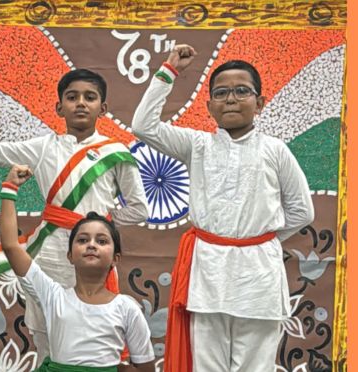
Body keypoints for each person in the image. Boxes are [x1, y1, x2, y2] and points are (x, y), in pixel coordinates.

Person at [132, 45, 315, 371]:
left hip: (259, 279)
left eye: (242, 91)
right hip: (208, 277)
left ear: (259, 103)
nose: (231, 98)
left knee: (255, 367)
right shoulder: (197, 145)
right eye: (221, 93)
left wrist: (259, 240)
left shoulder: (275, 150)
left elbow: (302, 211)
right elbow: (144, 126)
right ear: (209, 106)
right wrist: (169, 71)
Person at [0, 69, 148, 362]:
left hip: (95, 260)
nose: (81, 103)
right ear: (59, 107)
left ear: (102, 108)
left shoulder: (116, 152)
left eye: (89, 97)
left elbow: (139, 207)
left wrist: (98, 224)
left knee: (98, 337)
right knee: (46, 339)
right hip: (51, 257)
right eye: (72, 97)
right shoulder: (43, 148)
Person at [0, 164, 155, 372]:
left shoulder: (127, 309)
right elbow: (10, 246)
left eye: (101, 241)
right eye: (82, 239)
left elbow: (146, 367)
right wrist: (9, 188)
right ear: (70, 256)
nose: (91, 244)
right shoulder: (53, 296)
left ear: (115, 259)